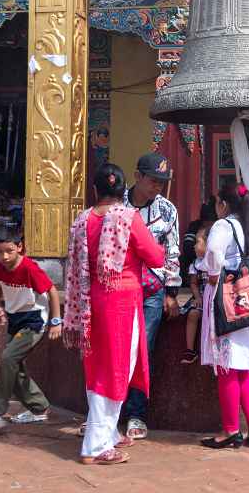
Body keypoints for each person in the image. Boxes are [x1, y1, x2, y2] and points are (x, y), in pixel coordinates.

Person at [63, 163, 164, 465]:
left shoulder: (82, 220)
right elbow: (156, 257)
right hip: (121, 303)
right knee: (116, 368)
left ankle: (106, 433)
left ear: (95, 190)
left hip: (90, 300)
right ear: (123, 191)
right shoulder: (128, 217)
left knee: (98, 367)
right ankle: (95, 445)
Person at [199, 181, 249, 450]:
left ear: (223, 204)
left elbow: (214, 251)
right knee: (244, 369)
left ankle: (230, 430)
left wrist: (213, 273)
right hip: (248, 302)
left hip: (224, 301)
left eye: (217, 203)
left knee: (227, 367)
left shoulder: (223, 226)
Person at [0, 225, 62, 431]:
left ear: (19, 247)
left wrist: (55, 321)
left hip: (34, 321)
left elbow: (52, 291)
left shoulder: (29, 269)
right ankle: (39, 408)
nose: (4, 256)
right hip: (14, 319)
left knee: (8, 358)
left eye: (9, 250)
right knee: (13, 366)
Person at [122, 152, 181, 440]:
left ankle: (136, 413)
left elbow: (172, 251)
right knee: (116, 348)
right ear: (137, 176)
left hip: (152, 290)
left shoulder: (167, 210)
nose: (158, 186)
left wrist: (172, 291)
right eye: (153, 180)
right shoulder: (117, 205)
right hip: (119, 287)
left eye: (163, 181)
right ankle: (108, 410)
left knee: (142, 348)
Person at [180, 226, 210, 364]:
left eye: (198, 242)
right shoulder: (196, 264)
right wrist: (198, 297)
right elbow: (193, 283)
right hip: (201, 297)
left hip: (214, 300)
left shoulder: (216, 263)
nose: (194, 246)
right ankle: (190, 350)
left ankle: (212, 350)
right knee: (193, 314)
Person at [180, 197, 217, 284]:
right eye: (206, 223)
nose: (208, 225)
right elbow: (187, 248)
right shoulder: (194, 226)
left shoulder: (220, 227)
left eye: (211, 222)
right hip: (195, 260)